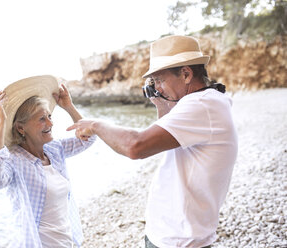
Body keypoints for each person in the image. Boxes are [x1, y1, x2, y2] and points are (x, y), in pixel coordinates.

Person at [67, 35, 238, 248]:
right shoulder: (208, 102)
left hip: (180, 239)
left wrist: (96, 125)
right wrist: (161, 104)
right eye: (154, 82)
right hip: (177, 233)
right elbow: (163, 142)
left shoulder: (202, 104)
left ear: (186, 74)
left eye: (160, 80)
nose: (157, 87)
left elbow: (135, 146)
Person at [0, 75, 95, 248]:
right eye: (42, 119)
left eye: (49, 116)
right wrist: (0, 122)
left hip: (66, 242)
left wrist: (69, 107)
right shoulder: (14, 160)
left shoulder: (54, 150)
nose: (50, 122)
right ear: (21, 128)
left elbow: (88, 138)